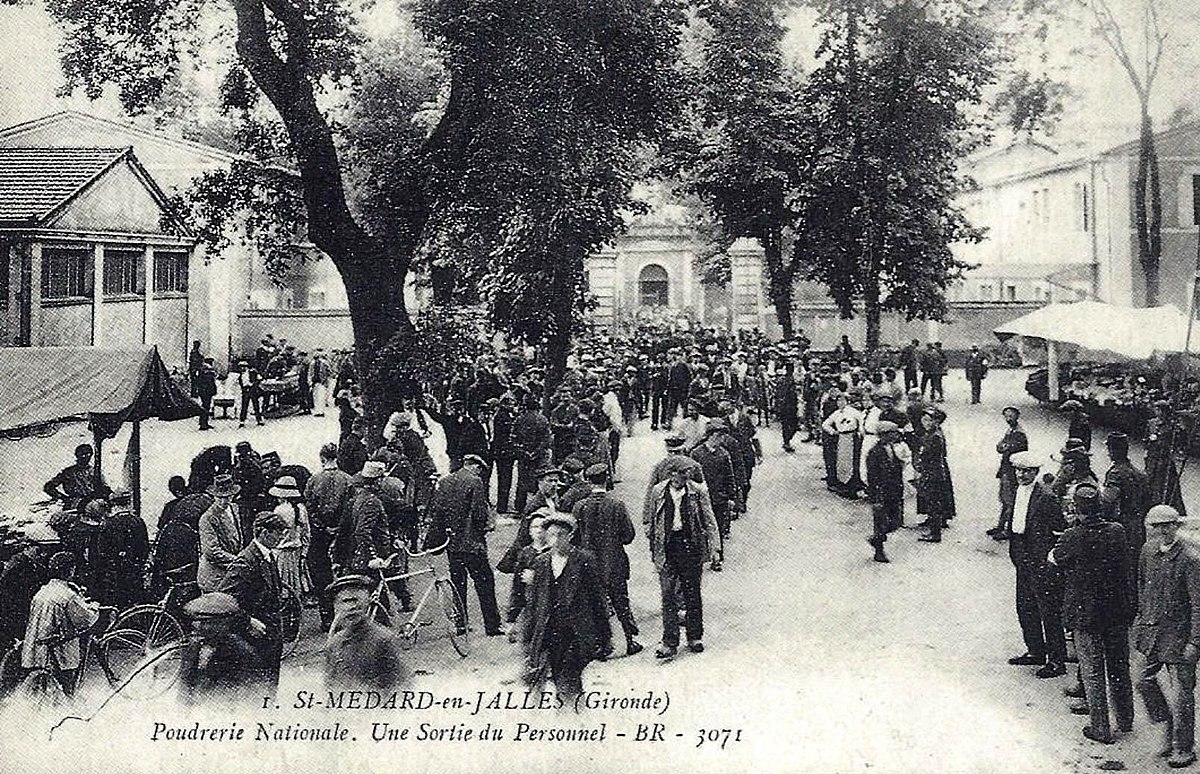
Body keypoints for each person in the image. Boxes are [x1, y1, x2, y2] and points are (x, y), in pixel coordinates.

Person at [1048, 483, 1134, 745]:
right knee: (1119, 666)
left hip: (1085, 615)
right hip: (1116, 612)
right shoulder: (1117, 531)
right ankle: (1125, 719)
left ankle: (1101, 728)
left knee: (1093, 671)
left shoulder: (1072, 536)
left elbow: (1054, 559)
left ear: (1077, 508)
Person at [1134, 504, 1200, 769]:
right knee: (1142, 680)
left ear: (1176, 526)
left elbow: (1198, 604)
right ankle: (1169, 724)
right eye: (1155, 527)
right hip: (1152, 632)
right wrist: (1141, 621)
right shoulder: (1147, 551)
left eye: (1167, 526)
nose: (1161, 531)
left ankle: (1183, 747)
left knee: (1183, 693)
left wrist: (1195, 641)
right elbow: (1141, 585)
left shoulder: (1190, 559)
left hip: (1180, 637)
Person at [521, 512, 613, 701]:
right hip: (550, 632)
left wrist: (605, 636)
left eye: (560, 535)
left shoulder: (584, 560)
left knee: (568, 678)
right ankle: (574, 717)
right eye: (551, 535)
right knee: (557, 677)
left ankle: (571, 717)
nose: (555, 540)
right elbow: (534, 604)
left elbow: (597, 600)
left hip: (576, 632)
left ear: (570, 536)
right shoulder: (541, 562)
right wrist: (529, 638)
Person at [644, 460, 719, 658]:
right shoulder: (658, 491)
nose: (682, 480)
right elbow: (653, 520)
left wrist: (715, 548)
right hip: (667, 547)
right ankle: (669, 642)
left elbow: (709, 519)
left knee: (692, 593)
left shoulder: (697, 492)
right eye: (679, 476)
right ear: (671, 475)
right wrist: (653, 547)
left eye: (686, 476)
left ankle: (695, 637)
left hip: (690, 547)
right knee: (668, 595)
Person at [1005, 451, 1068, 678]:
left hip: (1040, 560)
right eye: (1019, 470)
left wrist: (1049, 559)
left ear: (1036, 472)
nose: (1022, 475)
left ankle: (1056, 660)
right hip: (1021, 556)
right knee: (1025, 606)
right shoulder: (1016, 491)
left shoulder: (1046, 497)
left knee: (1048, 611)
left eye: (1027, 471)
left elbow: (1059, 529)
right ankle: (1035, 650)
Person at [425, 454, 503, 636]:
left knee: (458, 585)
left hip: (452, 545)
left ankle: (461, 625)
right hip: (472, 544)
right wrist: (487, 525)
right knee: (485, 583)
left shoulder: (445, 482)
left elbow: (439, 511)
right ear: (475, 466)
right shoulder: (474, 482)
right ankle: (492, 626)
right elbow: (479, 514)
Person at [572, 464, 642, 655]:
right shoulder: (617, 505)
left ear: (589, 482)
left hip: (589, 565)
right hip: (615, 563)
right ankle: (630, 641)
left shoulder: (579, 507)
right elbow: (628, 536)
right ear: (607, 479)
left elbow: (574, 538)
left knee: (595, 605)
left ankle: (600, 645)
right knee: (621, 603)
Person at [217, 511, 288, 694]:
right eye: (278, 533)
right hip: (255, 640)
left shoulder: (268, 555)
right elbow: (224, 600)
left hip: (269, 638)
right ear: (264, 533)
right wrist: (248, 621)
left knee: (269, 689)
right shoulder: (246, 561)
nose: (281, 537)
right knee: (256, 691)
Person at [21, 551, 101, 696]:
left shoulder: (42, 591)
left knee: (41, 688)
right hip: (59, 648)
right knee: (67, 685)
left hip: (36, 645)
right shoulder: (68, 595)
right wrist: (95, 608)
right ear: (71, 570)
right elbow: (85, 620)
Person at [323, 575, 412, 691]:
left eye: (356, 600)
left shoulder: (383, 640)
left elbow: (402, 687)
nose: (351, 607)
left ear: (367, 603)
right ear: (335, 607)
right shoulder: (334, 644)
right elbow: (329, 687)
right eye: (345, 601)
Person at [178, 592, 267, 706]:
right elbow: (184, 684)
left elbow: (246, 693)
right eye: (197, 621)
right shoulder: (193, 646)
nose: (199, 627)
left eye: (207, 623)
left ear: (224, 624)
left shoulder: (241, 652)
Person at [305, 443, 353, 630]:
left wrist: (323, 527)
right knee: (345, 574)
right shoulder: (347, 480)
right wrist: (338, 527)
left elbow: (310, 508)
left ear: (322, 458)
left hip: (320, 535)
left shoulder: (314, 480)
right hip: (342, 534)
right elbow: (350, 509)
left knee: (321, 576)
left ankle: (327, 616)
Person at [1102, 432, 1150, 607]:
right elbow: (1147, 501)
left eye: (1109, 448)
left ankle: (1125, 606)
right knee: (1135, 566)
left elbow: (1107, 502)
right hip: (1138, 525)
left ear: (1113, 450)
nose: (1108, 452)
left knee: (1120, 568)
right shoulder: (1139, 473)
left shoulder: (1116, 474)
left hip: (1122, 526)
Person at [0, 523, 57, 656]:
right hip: (14, 611)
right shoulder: (18, 565)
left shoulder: (33, 564)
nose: (44, 554)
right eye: (40, 549)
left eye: (47, 550)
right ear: (27, 547)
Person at [92, 489, 150, 609]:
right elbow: (144, 549)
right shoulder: (138, 522)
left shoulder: (108, 524)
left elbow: (101, 553)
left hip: (114, 577)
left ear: (113, 504)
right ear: (128, 503)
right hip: (134, 574)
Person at [865, 422, 905, 564]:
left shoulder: (892, 448)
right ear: (884, 435)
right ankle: (879, 550)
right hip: (881, 493)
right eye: (893, 433)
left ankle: (876, 539)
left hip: (893, 491)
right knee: (880, 522)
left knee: (895, 522)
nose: (896, 435)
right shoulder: (874, 453)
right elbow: (872, 476)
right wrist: (875, 496)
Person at [197, 474, 245, 592]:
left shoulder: (234, 508)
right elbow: (211, 551)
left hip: (231, 571)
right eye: (220, 497)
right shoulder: (208, 518)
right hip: (215, 576)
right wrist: (238, 560)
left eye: (227, 497)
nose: (224, 501)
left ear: (233, 495)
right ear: (214, 496)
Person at [915, 407, 955, 543]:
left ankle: (935, 533)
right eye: (924, 420)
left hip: (933, 473)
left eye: (929, 420)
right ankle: (933, 528)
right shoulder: (930, 434)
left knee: (934, 503)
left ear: (936, 422)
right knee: (932, 502)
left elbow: (930, 455)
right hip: (932, 472)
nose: (925, 422)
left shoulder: (935, 437)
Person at [991, 406, 1029, 541]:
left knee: (1010, 501)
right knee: (1004, 499)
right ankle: (1001, 526)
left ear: (1017, 416)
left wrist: (1003, 446)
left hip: (1011, 471)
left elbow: (1009, 448)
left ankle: (1008, 530)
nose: (1008, 419)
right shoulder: (1011, 430)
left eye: (1011, 416)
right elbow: (1000, 446)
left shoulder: (1018, 433)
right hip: (1006, 470)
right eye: (1006, 416)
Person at [269, 475, 310, 597]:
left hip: (281, 553)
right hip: (296, 553)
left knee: (282, 587)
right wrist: (304, 554)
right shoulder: (301, 509)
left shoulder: (279, 510)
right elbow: (306, 534)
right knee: (296, 587)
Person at [43, 444, 104, 512]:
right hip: (75, 504)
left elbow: (103, 487)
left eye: (88, 454)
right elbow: (48, 487)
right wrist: (63, 498)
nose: (86, 457)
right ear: (77, 456)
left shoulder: (94, 471)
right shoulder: (68, 472)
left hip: (93, 503)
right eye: (83, 454)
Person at [776, 362, 799, 452]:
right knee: (792, 425)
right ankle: (787, 442)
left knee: (787, 425)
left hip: (786, 406)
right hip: (788, 406)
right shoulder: (787, 380)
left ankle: (786, 441)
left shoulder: (783, 380)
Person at [236, 360, 264, 428]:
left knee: (256, 405)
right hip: (245, 391)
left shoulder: (253, 372)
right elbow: (240, 383)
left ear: (246, 367)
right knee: (244, 406)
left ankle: (259, 420)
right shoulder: (240, 375)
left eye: (244, 367)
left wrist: (253, 384)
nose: (242, 368)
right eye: (241, 367)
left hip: (252, 390)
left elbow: (260, 378)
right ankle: (242, 421)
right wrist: (243, 388)